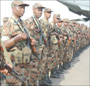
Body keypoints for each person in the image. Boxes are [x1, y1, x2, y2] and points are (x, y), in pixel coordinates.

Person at [1, 0, 36, 86]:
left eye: (24, 8)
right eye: (20, 7)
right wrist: (18, 37)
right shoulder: (8, 24)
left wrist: (32, 42)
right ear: (13, 8)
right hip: (14, 65)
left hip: (24, 63)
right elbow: (3, 44)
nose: (23, 10)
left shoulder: (22, 24)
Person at [25, 3, 47, 85]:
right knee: (32, 74)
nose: (40, 12)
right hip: (32, 53)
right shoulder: (29, 21)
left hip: (39, 52)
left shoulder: (39, 22)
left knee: (37, 72)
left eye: (41, 10)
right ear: (33, 10)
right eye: (38, 10)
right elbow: (26, 37)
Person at [40, 8, 53, 85]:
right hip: (43, 46)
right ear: (44, 13)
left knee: (47, 62)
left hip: (48, 45)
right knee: (43, 63)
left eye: (50, 13)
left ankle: (45, 78)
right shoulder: (41, 22)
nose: (49, 14)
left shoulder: (49, 23)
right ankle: (42, 80)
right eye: (48, 12)